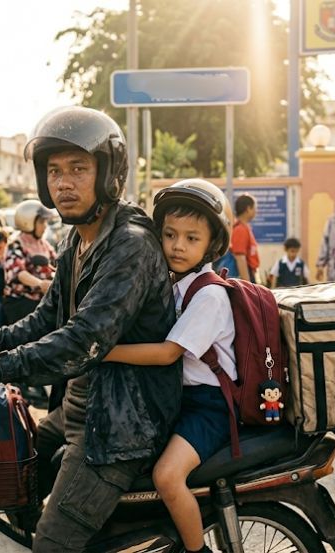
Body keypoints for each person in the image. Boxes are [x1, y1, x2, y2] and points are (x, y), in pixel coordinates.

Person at [0, 106, 181, 553]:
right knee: (5, 483)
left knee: (52, 545)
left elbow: (82, 338)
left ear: (108, 172)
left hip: (120, 427)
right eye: (54, 171)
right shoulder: (77, 238)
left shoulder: (130, 245)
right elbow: (46, 318)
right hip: (78, 410)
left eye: (78, 168)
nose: (63, 182)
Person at [104, 178, 233, 553]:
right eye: (170, 234)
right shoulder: (172, 283)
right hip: (179, 399)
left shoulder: (208, 294)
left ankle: (197, 551)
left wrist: (103, 350)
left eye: (192, 238)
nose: (178, 246)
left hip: (209, 407)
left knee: (166, 476)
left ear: (212, 244)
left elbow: (166, 353)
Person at [2, 199, 56, 325]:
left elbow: (56, 264)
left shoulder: (43, 244)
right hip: (21, 302)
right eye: (42, 221)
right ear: (28, 222)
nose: (45, 226)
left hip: (43, 300)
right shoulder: (16, 245)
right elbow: (19, 273)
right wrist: (40, 284)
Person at [230, 193, 259, 282]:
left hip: (251, 272)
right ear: (248, 209)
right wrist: (247, 285)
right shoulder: (240, 229)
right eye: (254, 208)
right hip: (247, 275)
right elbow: (240, 258)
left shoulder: (245, 227)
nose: (256, 211)